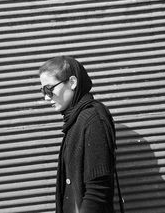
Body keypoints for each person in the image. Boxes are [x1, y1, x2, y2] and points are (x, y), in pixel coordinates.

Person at [39, 56, 123, 213]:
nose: (46, 97)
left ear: (72, 82)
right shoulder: (75, 119)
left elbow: (97, 191)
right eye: (43, 91)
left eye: (49, 89)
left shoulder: (93, 119)